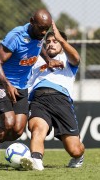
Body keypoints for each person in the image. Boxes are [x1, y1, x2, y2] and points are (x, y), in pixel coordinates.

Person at [0, 9, 64, 170]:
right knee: (8, 123)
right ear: (32, 22)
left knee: (17, 131)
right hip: (0, 83)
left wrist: (48, 60)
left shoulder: (39, 35)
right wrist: (7, 84)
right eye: (41, 29)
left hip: (22, 87)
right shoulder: (16, 37)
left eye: (46, 30)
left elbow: (38, 47)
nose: (44, 33)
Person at [20, 22, 85, 170]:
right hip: (39, 100)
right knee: (37, 128)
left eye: (55, 42)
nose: (51, 44)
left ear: (63, 45)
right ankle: (36, 161)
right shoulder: (36, 61)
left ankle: (79, 156)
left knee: (74, 149)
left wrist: (61, 39)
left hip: (61, 101)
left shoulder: (68, 61)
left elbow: (77, 58)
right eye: (48, 42)